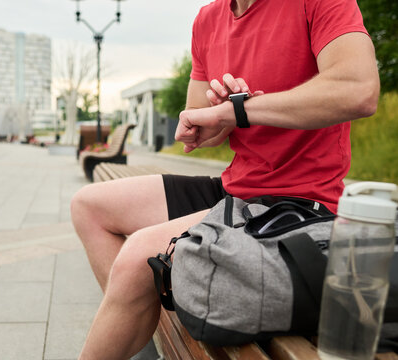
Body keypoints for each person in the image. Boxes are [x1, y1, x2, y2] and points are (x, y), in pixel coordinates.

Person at [71, 0, 380, 358]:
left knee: (137, 257)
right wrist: (215, 116)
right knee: (89, 205)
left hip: (297, 202)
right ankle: (138, 335)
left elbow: (359, 89)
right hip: (235, 189)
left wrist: (240, 109)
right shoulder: (208, 19)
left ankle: (131, 319)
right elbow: (197, 130)